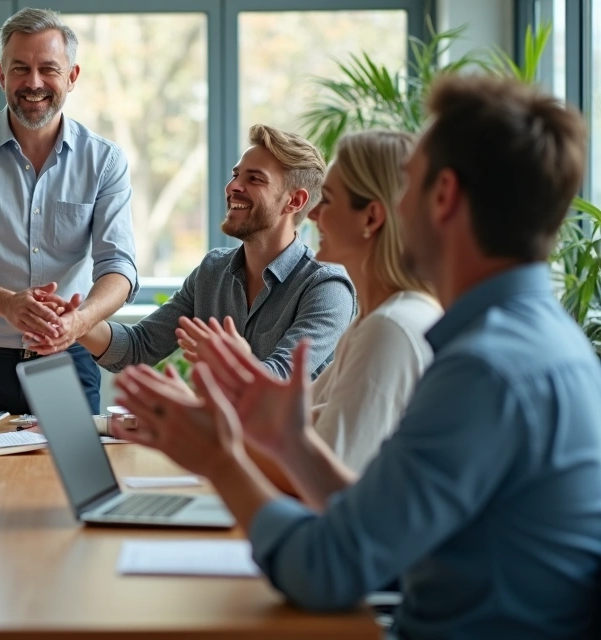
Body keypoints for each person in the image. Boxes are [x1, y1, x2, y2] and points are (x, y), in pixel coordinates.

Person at [115, 74, 601, 638]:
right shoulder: (539, 343)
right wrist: (289, 441)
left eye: (408, 185)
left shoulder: (485, 371)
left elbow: (326, 569)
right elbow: (382, 524)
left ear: (442, 198)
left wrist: (220, 459)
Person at [188, 131, 440, 484]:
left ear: (371, 218)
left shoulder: (389, 329)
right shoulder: (375, 322)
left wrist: (205, 444)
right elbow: (299, 423)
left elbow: (320, 480)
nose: (314, 214)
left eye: (329, 200)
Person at [0, 7, 138, 415]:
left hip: (67, 360)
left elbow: (119, 266)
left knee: (74, 477)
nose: (33, 83)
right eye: (20, 68)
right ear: (1, 74)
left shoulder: (104, 160)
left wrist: (81, 321)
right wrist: (6, 303)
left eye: (48, 69)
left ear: (72, 77)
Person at [44, 125, 354, 381]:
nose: (233, 186)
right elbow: (138, 347)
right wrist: (76, 323)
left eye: (254, 179)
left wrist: (234, 359)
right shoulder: (212, 272)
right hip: (217, 446)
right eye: (236, 175)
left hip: (288, 452)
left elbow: (279, 380)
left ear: (295, 201)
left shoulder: (326, 288)